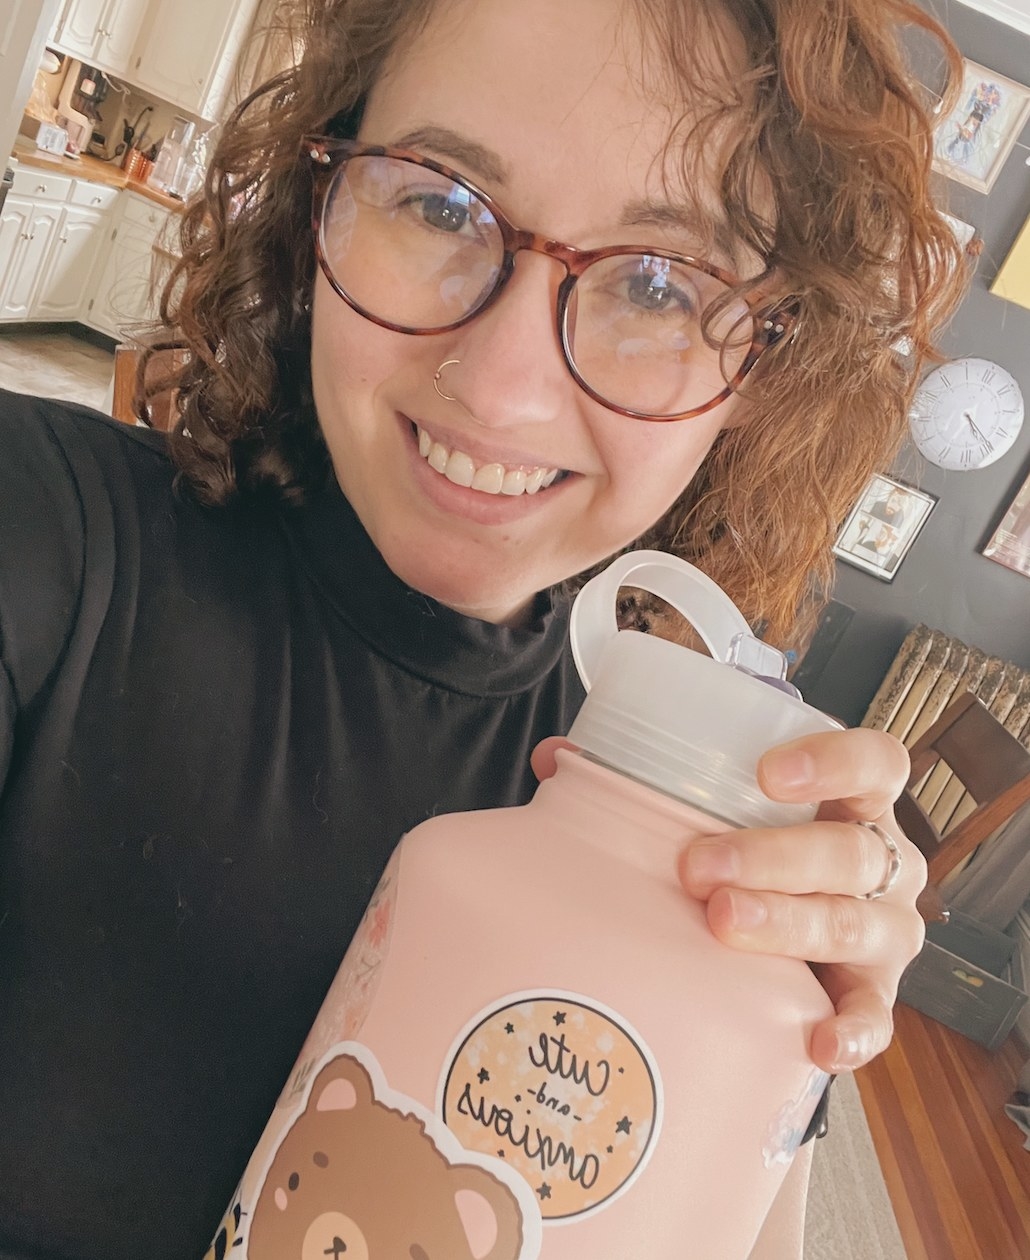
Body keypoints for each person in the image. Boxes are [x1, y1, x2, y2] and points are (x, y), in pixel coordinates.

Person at [0, 0, 968, 1256]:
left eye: (662, 285)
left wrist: (796, 1040)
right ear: (320, 201)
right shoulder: (40, 537)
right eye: (441, 203)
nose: (504, 386)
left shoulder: (685, 832)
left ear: (764, 368)